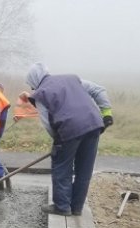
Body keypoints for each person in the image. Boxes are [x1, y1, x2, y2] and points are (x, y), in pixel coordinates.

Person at [19, 63, 113, 217]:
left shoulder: (41, 94)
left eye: (31, 85)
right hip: (94, 125)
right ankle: (76, 208)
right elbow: (98, 90)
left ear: (35, 80)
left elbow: (47, 124)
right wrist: (107, 113)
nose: (32, 89)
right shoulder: (72, 79)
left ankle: (62, 207)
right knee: (84, 169)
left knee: (62, 167)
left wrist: (58, 143)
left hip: (69, 128)